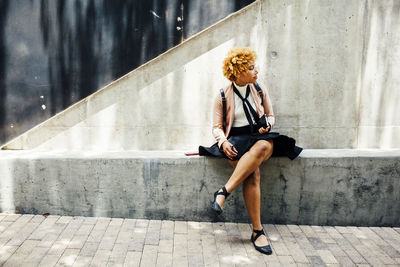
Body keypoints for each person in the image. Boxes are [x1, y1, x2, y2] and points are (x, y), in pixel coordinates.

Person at [199, 47, 302, 255]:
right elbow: (216, 127)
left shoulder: (260, 88)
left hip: (260, 136)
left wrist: (268, 125)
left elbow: (271, 115)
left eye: (255, 67)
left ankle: (223, 192)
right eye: (251, 68)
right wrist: (223, 143)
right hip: (236, 139)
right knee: (253, 174)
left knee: (264, 145)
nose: (256, 71)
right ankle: (257, 232)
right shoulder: (222, 96)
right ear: (238, 72)